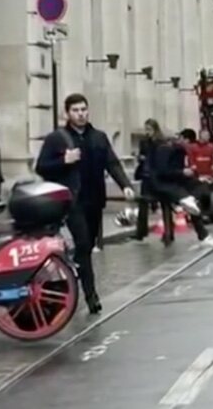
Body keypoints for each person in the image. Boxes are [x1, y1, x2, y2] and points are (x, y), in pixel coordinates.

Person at [35, 93, 136, 314]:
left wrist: (125, 185)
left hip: (95, 200)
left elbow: (112, 163)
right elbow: (41, 167)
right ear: (67, 113)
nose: (80, 114)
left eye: (83, 109)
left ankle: (70, 272)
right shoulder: (57, 139)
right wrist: (64, 160)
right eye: (75, 110)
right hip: (72, 201)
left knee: (86, 248)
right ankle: (91, 297)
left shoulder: (98, 137)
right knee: (82, 244)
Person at [140, 120, 213, 248]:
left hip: (170, 181)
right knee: (188, 202)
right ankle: (201, 234)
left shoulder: (174, 149)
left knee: (191, 199)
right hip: (163, 183)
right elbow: (163, 171)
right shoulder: (164, 149)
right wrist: (182, 172)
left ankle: (198, 233)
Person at [183, 129, 213, 218]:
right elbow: (191, 161)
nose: (207, 137)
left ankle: (205, 213)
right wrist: (197, 175)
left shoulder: (211, 147)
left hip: (208, 177)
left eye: (208, 135)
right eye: (205, 135)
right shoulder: (192, 147)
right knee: (199, 193)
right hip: (197, 176)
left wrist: (212, 175)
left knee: (206, 193)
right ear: (200, 135)